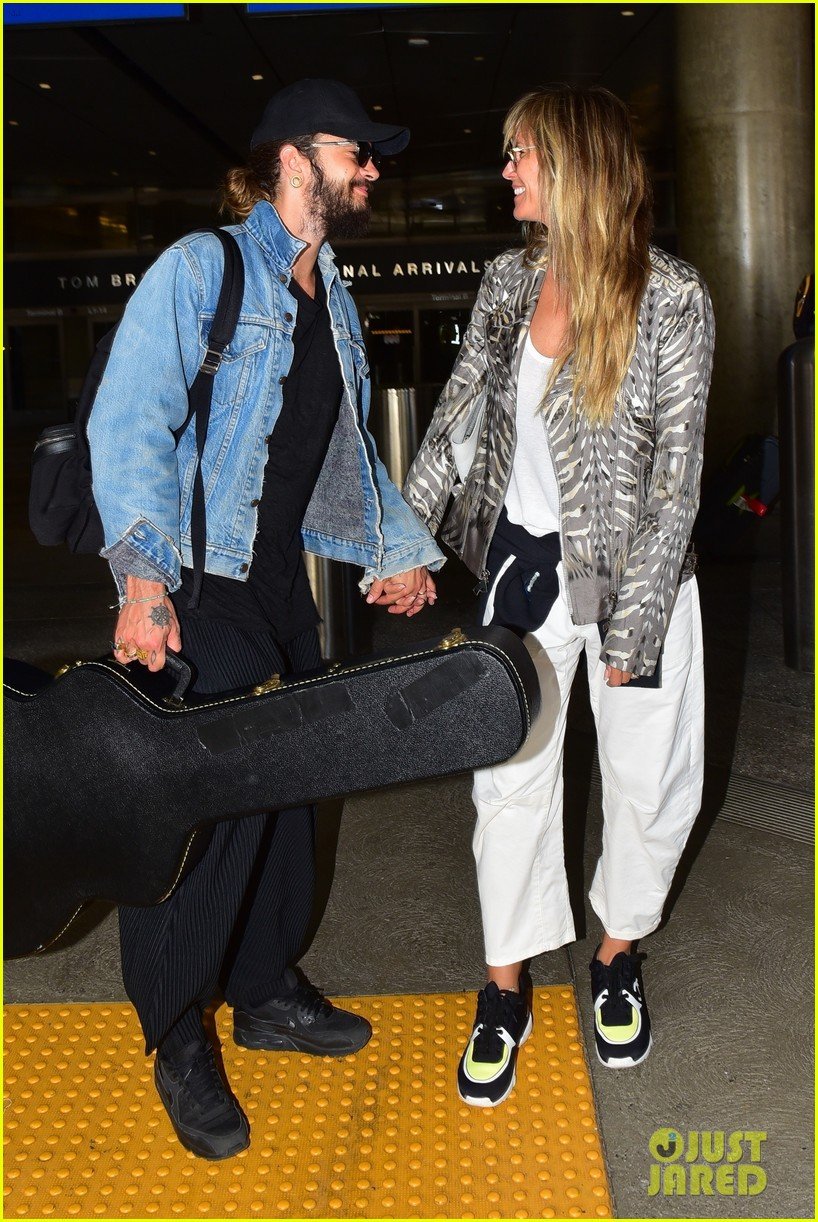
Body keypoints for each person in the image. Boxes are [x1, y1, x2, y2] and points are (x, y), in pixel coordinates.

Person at [87, 78, 443, 1159]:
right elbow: (132, 417)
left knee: (294, 785)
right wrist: (142, 585)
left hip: (274, 576)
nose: (370, 171)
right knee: (214, 803)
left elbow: (341, 454)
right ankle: (176, 1031)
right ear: (296, 160)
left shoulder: (326, 290)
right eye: (358, 153)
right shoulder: (202, 268)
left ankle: (262, 988)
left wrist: (395, 553)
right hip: (197, 579)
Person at [404, 84, 714, 1107]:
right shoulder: (504, 283)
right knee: (507, 782)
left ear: (570, 162)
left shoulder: (670, 298)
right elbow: (452, 420)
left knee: (644, 778)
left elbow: (676, 475)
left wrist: (631, 627)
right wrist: (402, 539)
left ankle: (615, 956)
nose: (506, 172)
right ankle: (505, 988)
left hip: (636, 581)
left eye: (519, 154)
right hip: (522, 573)